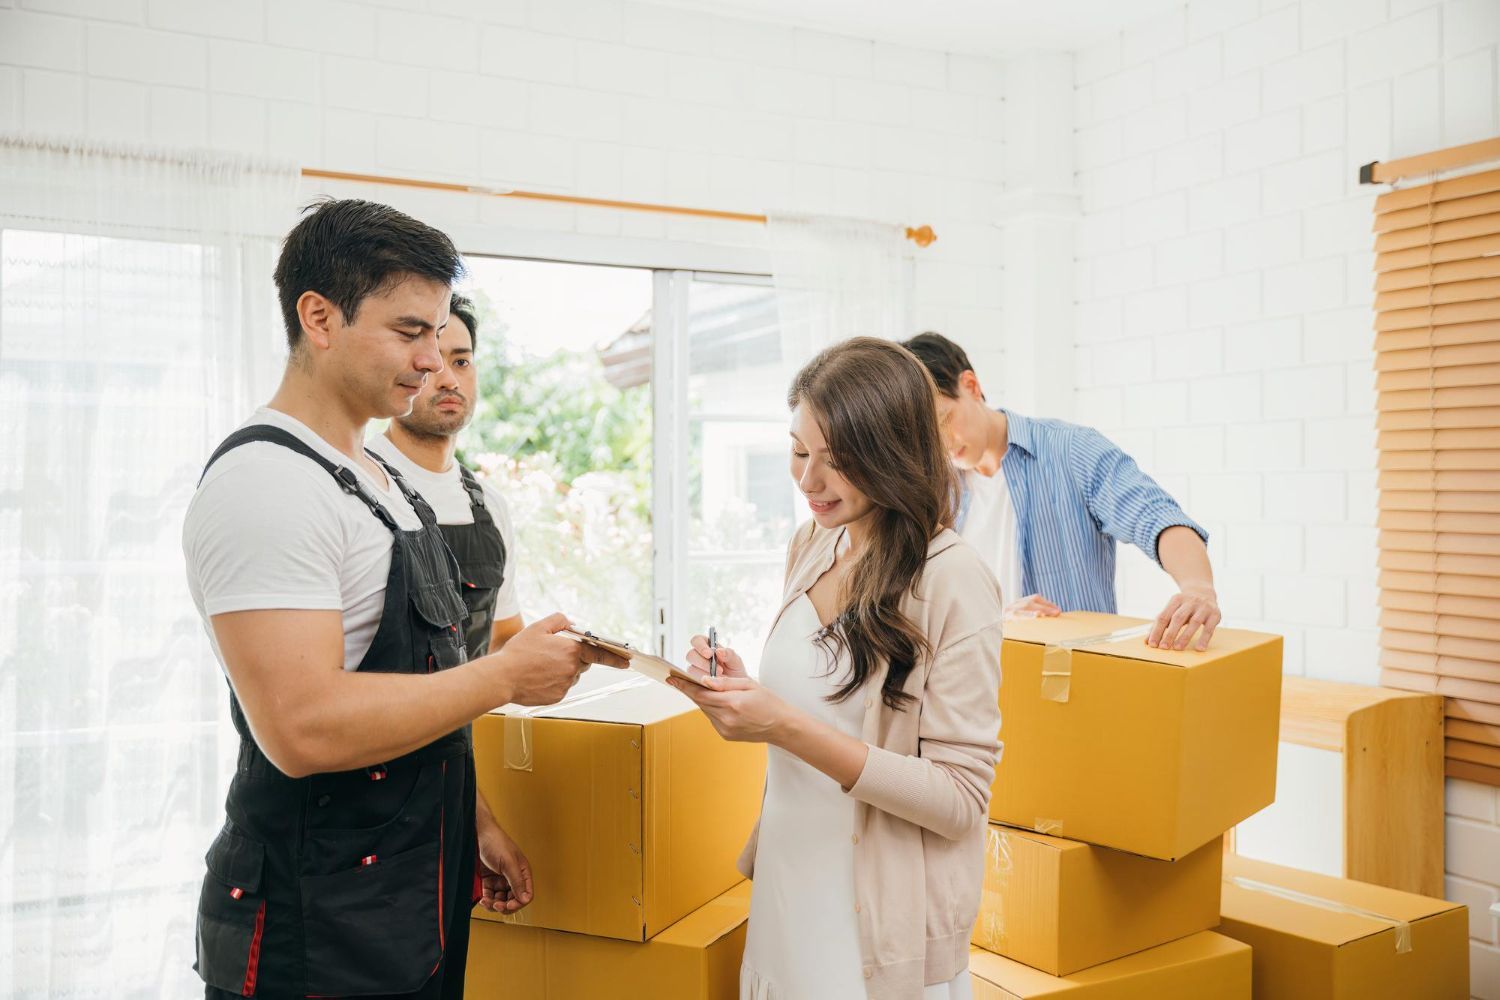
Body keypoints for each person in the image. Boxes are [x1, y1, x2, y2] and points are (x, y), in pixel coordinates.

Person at [183, 198, 624, 1000]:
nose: (433, 363)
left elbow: (418, 689)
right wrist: (503, 678)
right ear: (319, 317)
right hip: (311, 921)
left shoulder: (380, 479)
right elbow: (302, 727)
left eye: (443, 334)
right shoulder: (267, 484)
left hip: (411, 897)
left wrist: (476, 819)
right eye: (409, 332)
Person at [669, 338, 1003, 1000]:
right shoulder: (814, 543)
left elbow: (961, 802)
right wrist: (746, 688)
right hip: (789, 886)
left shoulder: (953, 578)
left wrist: (783, 725)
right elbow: (831, 701)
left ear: (894, 453)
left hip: (873, 924)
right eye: (798, 452)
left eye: (838, 461)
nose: (808, 480)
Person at [901, 332, 1220, 652]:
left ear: (970, 386)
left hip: (1072, 681)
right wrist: (996, 618)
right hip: (974, 683)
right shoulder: (932, 488)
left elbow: (1154, 515)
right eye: (928, 434)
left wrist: (1197, 588)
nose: (942, 442)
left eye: (944, 419)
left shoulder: (1070, 450)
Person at [366, 293, 523, 658]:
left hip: (474, 717)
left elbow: (504, 638)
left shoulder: (489, 506)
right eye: (432, 363)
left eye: (462, 361)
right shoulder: (363, 483)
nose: (449, 379)